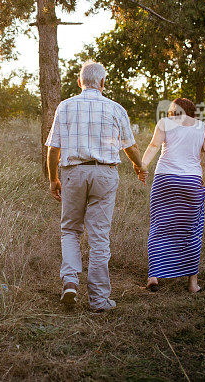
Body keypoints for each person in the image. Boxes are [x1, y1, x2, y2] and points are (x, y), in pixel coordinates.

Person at [45, 61, 147, 313]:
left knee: (70, 230)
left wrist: (52, 179)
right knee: (99, 237)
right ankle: (99, 300)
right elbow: (130, 146)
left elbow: (53, 149)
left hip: (73, 173)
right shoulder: (115, 108)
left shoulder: (65, 106)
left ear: (80, 82)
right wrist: (139, 166)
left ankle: (70, 281)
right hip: (104, 173)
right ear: (102, 83)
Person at [140, 98, 205, 293]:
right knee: (191, 230)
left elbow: (153, 147)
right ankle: (192, 283)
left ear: (173, 110)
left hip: (164, 179)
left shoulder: (165, 123)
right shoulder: (203, 128)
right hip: (191, 182)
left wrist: (142, 167)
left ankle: (154, 276)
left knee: (159, 226)